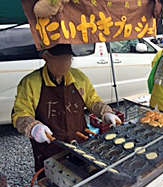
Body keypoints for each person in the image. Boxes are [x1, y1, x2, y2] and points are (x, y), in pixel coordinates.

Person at [12, 44, 121, 174]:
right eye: (59, 59)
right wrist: (33, 127)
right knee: (53, 179)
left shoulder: (79, 78)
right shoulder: (31, 83)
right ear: (46, 57)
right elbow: (20, 114)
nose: (64, 64)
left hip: (80, 142)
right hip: (50, 147)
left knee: (84, 174)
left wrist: (106, 113)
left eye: (68, 59)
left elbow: (93, 101)